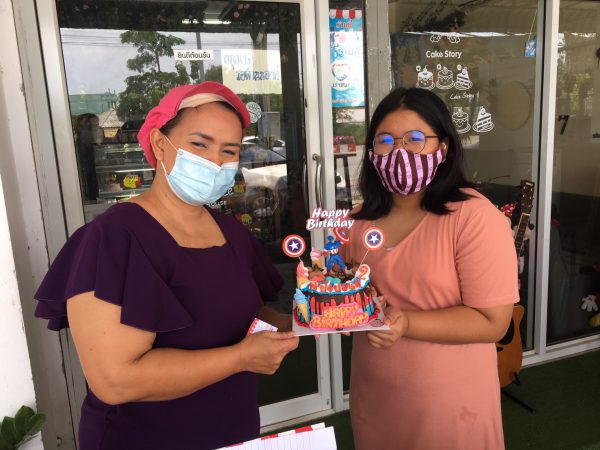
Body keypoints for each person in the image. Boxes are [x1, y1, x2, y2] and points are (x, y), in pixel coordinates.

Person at [34, 82, 299, 450]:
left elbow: (245, 314)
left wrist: (305, 321)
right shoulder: (113, 238)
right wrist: (240, 358)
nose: (215, 161)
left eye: (229, 150)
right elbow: (115, 381)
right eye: (199, 144)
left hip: (232, 431)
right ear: (160, 144)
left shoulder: (231, 234)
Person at [341, 88, 518, 450]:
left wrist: (406, 323)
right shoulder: (357, 220)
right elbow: (349, 289)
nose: (399, 151)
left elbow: (493, 322)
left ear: (444, 147)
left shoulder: (474, 218)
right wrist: (338, 308)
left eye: (415, 139)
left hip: (451, 408)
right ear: (372, 153)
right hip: (373, 396)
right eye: (385, 141)